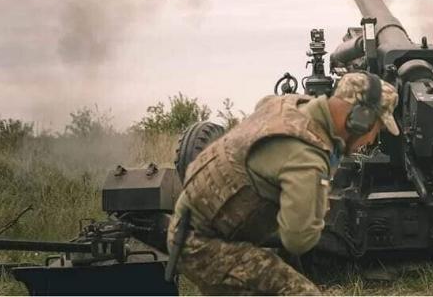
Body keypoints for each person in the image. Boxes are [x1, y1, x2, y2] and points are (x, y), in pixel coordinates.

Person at [167, 72, 399, 295]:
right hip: (201, 245)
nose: (372, 140)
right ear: (361, 118)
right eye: (376, 129)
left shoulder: (289, 104)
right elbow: (298, 239)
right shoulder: (307, 158)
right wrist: (317, 198)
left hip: (194, 222)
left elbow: (263, 103)